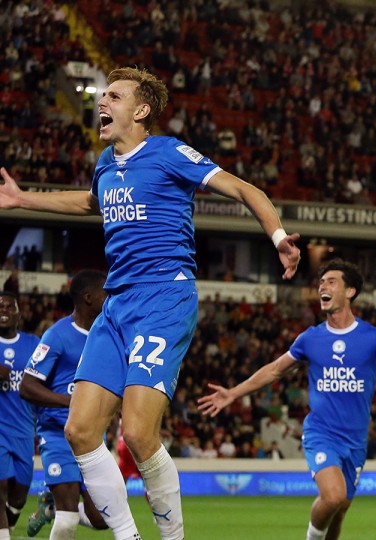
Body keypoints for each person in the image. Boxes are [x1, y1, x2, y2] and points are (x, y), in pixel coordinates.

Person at [0, 67, 301, 540]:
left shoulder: (167, 152)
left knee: (139, 435)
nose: (103, 102)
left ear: (140, 112)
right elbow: (88, 203)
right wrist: (22, 199)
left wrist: (279, 237)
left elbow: (247, 189)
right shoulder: (105, 163)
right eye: (103, 96)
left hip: (164, 296)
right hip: (117, 306)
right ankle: (128, 536)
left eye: (114, 96)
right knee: (80, 431)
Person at [198, 259, 376, 540]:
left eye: (331, 281)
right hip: (321, 433)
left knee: (340, 508)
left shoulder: (372, 337)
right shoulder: (310, 338)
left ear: (350, 291)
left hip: (355, 441)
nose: (323, 286)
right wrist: (233, 393)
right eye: (321, 282)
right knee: (333, 497)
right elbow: (273, 370)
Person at [20, 271, 110, 538]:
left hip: (93, 437)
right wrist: (73, 402)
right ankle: (57, 507)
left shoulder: (105, 336)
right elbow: (27, 386)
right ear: (89, 298)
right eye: (106, 292)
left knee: (103, 517)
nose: (111, 297)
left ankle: (48, 509)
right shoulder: (57, 335)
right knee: (68, 516)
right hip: (58, 435)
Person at [0, 292, 42, 540]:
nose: (3, 309)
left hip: (25, 429)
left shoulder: (33, 344)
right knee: (1, 488)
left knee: (18, 496)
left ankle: (8, 526)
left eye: (8, 306)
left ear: (18, 313)